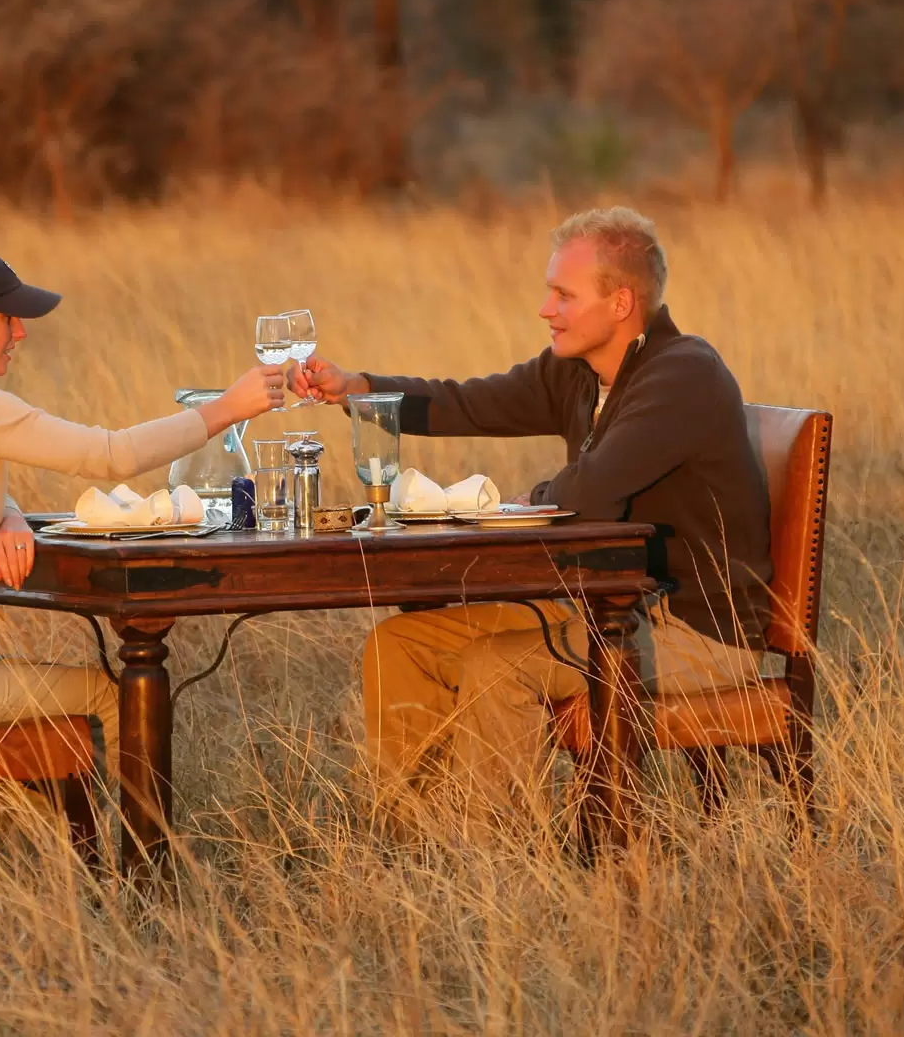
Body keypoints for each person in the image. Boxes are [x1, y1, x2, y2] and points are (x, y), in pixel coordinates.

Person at [292, 207, 772, 814]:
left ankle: (491, 851)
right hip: (605, 606)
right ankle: (416, 839)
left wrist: (534, 498)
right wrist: (359, 389)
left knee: (497, 667)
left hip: (699, 633)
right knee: (401, 644)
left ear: (621, 303)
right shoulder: (577, 373)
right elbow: (468, 403)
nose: (546, 309)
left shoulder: (683, 375)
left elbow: (591, 492)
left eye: (563, 294)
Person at [0, 243, 284, 778]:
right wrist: (226, 410)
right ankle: (139, 835)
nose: (20, 332)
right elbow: (110, 455)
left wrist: (7, 513)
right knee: (111, 695)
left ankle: (42, 831)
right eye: (8, 318)